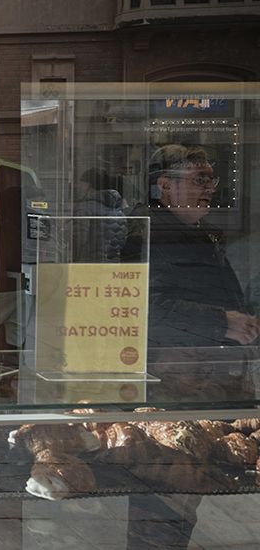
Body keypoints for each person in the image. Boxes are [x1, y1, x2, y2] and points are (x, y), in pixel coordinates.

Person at [121, 144, 260, 549]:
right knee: (165, 494)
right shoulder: (149, 233)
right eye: (200, 179)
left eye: (211, 179)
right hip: (174, 385)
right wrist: (221, 322)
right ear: (165, 186)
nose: (210, 188)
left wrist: (239, 320)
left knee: (184, 495)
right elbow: (142, 307)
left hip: (206, 380)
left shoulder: (190, 232)